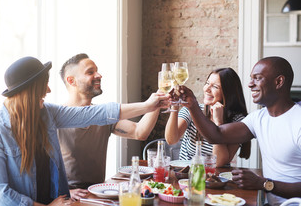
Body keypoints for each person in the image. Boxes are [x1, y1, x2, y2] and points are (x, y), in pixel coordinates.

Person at [0, 56, 169, 206]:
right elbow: (0, 194)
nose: (49, 90)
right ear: (30, 91)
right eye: (45, 84)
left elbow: (95, 114)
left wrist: (147, 105)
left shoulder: (48, 114)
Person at [180, 56, 301, 205]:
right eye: (251, 78)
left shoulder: (298, 121)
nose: (250, 84)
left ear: (279, 82)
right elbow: (216, 135)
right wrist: (192, 104)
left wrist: (264, 184)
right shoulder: (258, 118)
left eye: (257, 78)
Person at [58, 53, 162, 194]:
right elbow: (39, 169)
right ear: (71, 81)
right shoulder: (57, 119)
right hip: (68, 198)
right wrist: (64, 192)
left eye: (97, 70)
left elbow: (140, 132)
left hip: (98, 193)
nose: (99, 75)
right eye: (90, 72)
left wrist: (159, 100)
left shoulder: (101, 116)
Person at [165, 68, 250, 167]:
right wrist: (175, 104)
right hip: (186, 175)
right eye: (207, 83)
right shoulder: (192, 110)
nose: (207, 89)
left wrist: (219, 123)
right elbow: (171, 140)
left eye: (215, 86)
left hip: (216, 178)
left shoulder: (238, 122)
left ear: (228, 93)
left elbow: (219, 162)